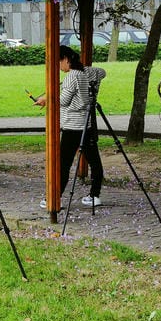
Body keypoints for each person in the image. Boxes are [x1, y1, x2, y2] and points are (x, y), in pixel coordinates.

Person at [35, 45, 107, 208]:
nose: (58, 67)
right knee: (94, 160)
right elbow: (101, 72)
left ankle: (54, 198)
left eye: (59, 62)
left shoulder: (71, 76)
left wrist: (48, 100)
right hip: (86, 125)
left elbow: (63, 100)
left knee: (63, 164)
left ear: (66, 59)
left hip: (72, 127)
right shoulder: (85, 73)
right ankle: (95, 195)